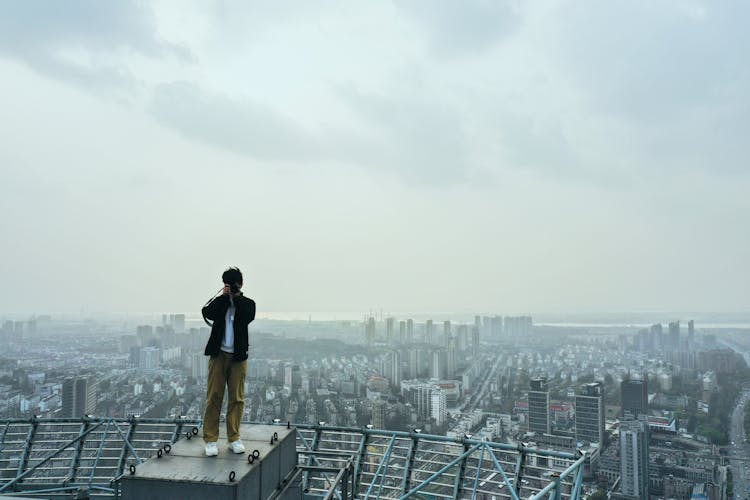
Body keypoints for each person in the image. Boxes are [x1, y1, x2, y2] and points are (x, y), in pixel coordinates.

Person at [201, 267, 256, 456]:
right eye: (227, 284)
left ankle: (234, 437)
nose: (231, 288)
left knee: (237, 398)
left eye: (233, 284)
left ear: (240, 284)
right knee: (214, 397)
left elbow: (248, 315)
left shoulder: (247, 304)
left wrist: (236, 297)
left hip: (238, 357)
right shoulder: (221, 303)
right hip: (218, 355)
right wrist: (224, 297)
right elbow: (207, 312)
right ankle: (210, 439)